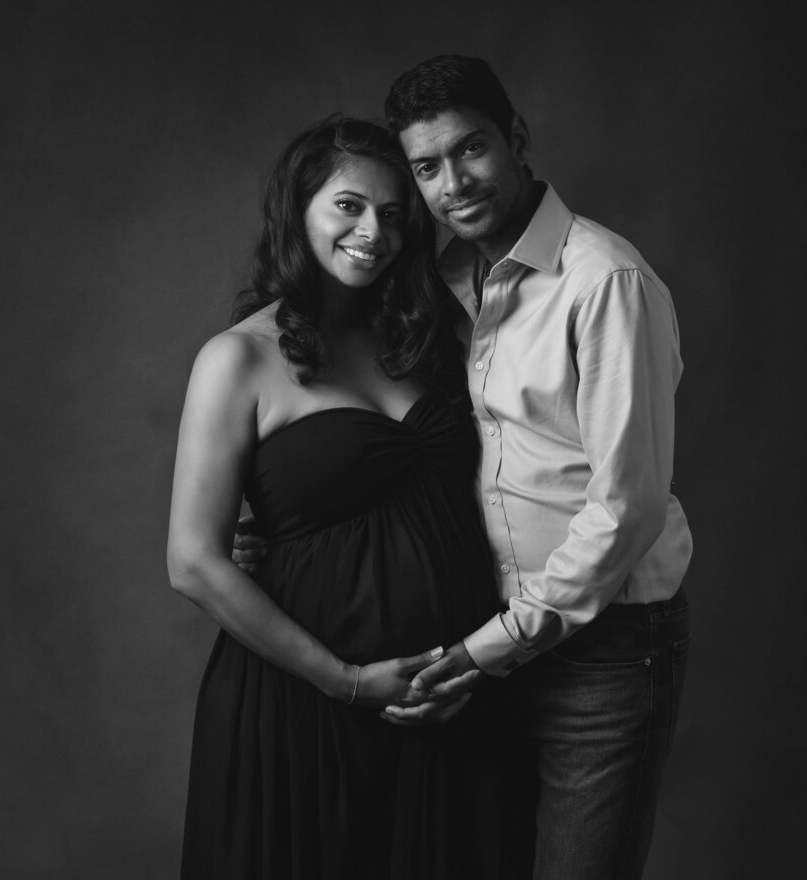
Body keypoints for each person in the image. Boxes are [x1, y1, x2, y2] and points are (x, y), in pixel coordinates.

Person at [167, 115, 520, 879]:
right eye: (349, 206)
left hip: (450, 700)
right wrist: (349, 682)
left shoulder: (427, 339)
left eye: (395, 215)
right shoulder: (237, 360)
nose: (374, 232)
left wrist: (480, 658)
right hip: (304, 707)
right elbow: (193, 561)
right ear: (299, 211)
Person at [380, 56, 695, 880]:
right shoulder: (451, 281)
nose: (453, 183)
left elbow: (626, 509)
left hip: (607, 648)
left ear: (516, 140)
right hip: (495, 636)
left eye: (470, 149)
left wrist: (492, 648)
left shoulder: (604, 281)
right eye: (426, 166)